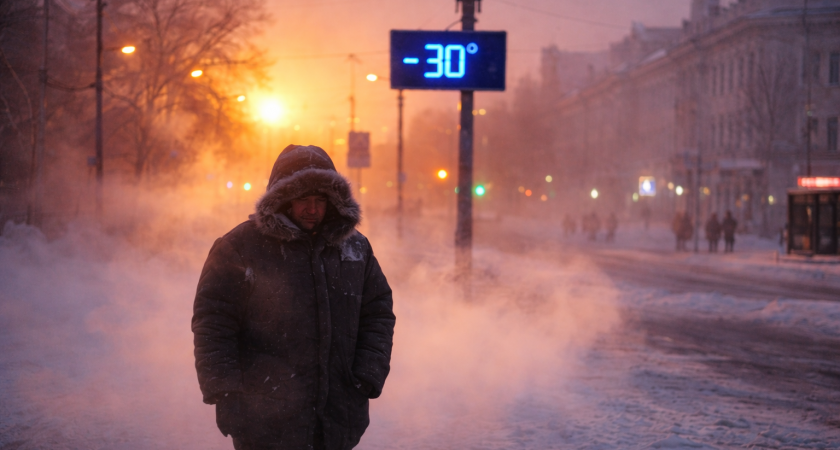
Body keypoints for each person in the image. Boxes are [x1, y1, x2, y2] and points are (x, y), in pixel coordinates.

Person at [192, 145, 396, 450]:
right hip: (262, 417)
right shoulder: (239, 247)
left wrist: (367, 375)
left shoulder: (355, 249)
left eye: (320, 200)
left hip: (337, 415)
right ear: (283, 200)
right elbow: (214, 324)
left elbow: (377, 313)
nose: (312, 209)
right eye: (303, 199)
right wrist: (225, 392)